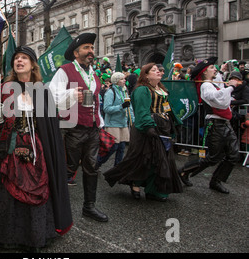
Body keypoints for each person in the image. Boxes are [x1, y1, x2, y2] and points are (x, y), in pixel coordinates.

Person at [0, 46, 72, 251]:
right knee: (4, 188)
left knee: (36, 185)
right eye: (16, 58)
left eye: (24, 58)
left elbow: (49, 124)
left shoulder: (42, 90)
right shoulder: (3, 88)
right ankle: (2, 233)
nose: (19, 61)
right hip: (7, 146)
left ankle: (34, 234)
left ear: (33, 64)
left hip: (35, 148)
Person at [49, 33, 108, 222]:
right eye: (86, 47)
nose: (91, 51)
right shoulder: (65, 71)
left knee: (91, 168)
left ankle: (89, 207)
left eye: (92, 47)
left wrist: (100, 123)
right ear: (76, 53)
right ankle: (51, 206)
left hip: (91, 128)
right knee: (66, 169)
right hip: (70, 127)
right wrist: (72, 94)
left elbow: (96, 100)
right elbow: (52, 96)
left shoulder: (94, 73)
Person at [103, 63, 183, 201]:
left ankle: (154, 190)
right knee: (143, 158)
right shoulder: (142, 90)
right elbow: (141, 111)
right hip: (146, 128)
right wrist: (149, 127)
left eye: (159, 70)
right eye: (154, 70)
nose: (159, 72)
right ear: (146, 75)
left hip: (162, 126)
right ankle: (135, 183)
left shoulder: (161, 89)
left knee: (161, 158)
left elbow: (167, 107)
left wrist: (176, 122)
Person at [179, 57, 240, 194]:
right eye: (212, 68)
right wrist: (231, 87)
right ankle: (184, 170)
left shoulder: (214, 84)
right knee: (213, 157)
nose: (215, 69)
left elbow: (223, 98)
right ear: (205, 72)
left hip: (225, 123)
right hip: (215, 124)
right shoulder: (206, 85)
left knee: (233, 155)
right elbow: (217, 99)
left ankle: (216, 181)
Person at [97, 72, 134, 169]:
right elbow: (106, 109)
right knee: (113, 147)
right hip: (113, 123)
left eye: (124, 79)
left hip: (123, 123)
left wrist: (132, 120)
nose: (124, 80)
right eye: (122, 79)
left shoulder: (124, 91)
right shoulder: (110, 92)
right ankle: (97, 163)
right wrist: (121, 107)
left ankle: (117, 169)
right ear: (116, 81)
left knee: (122, 148)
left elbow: (129, 107)